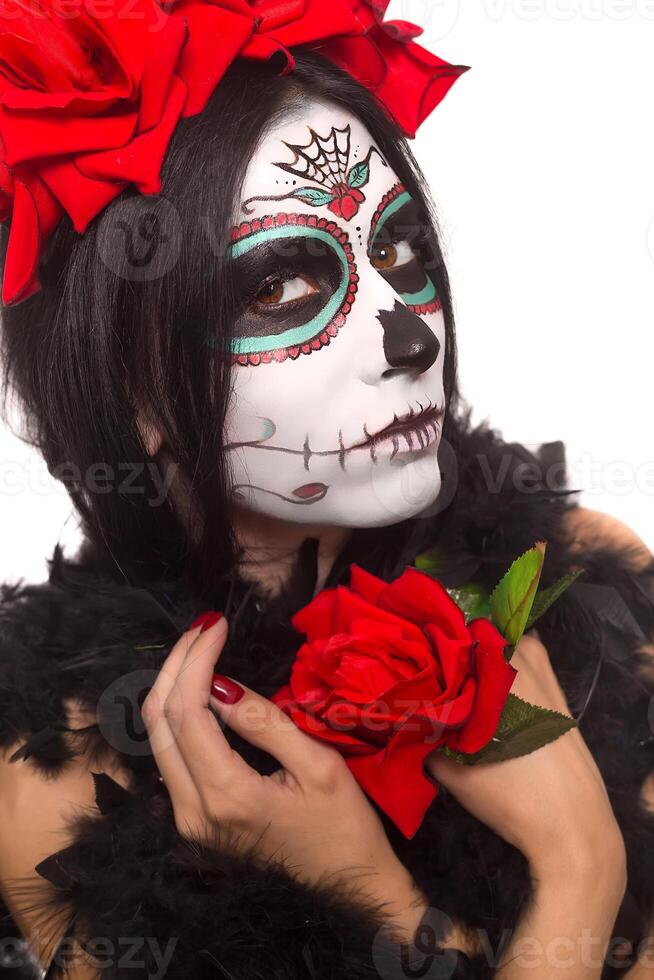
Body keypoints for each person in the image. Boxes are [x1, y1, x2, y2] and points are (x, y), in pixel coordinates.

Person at [0, 4, 652, 977]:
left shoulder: (586, 574)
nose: (410, 337)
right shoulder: (58, 768)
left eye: (398, 256)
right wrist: (572, 866)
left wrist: (571, 862)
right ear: (126, 386)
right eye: (279, 287)